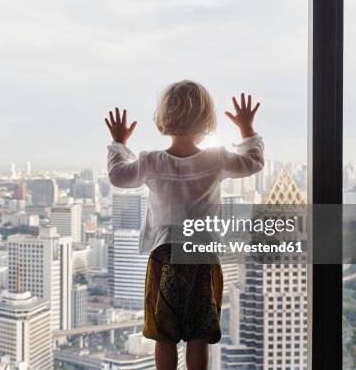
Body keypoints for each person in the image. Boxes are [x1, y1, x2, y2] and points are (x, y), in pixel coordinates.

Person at [104, 80, 264, 370]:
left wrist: (119, 143)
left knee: (164, 334)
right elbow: (253, 162)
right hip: (200, 254)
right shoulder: (217, 159)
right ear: (207, 122)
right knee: (198, 333)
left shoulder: (151, 161)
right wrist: (246, 128)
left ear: (164, 118)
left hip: (165, 254)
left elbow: (118, 176)